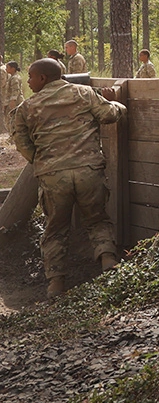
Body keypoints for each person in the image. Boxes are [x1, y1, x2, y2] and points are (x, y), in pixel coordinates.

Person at [10, 59, 126, 297]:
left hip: (53, 176)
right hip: (88, 170)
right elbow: (109, 115)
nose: (28, 81)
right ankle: (108, 260)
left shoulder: (27, 107)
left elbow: (21, 142)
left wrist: (42, 161)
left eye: (31, 77)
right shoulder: (84, 93)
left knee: (55, 228)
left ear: (43, 78)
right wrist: (116, 102)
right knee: (97, 218)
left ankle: (56, 283)